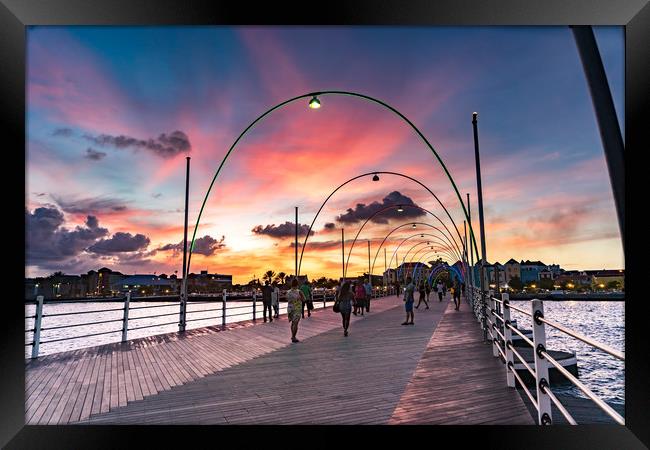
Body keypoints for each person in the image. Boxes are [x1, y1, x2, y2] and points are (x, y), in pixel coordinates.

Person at [286, 279, 305, 343]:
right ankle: (293, 337)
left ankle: (292, 335)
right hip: (297, 308)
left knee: (292, 323)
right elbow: (304, 299)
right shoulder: (299, 291)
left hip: (290, 308)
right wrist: (299, 298)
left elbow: (286, 298)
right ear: (297, 284)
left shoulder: (288, 292)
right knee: (295, 323)